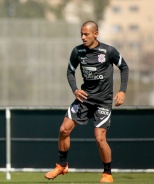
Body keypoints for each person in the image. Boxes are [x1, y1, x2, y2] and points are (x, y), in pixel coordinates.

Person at [44, 21, 129, 183]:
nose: (83, 37)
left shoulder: (109, 51)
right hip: (84, 99)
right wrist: (75, 89)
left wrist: (122, 91)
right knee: (64, 129)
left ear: (96, 34)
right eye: (81, 34)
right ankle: (62, 165)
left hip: (103, 102)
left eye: (86, 34)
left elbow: (124, 67)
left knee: (99, 138)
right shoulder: (77, 51)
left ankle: (107, 174)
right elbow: (70, 71)